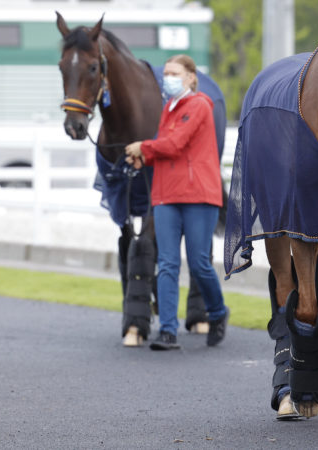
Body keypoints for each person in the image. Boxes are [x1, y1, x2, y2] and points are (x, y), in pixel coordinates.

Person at [125, 54, 229, 350]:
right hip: (167, 195)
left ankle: (218, 311)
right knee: (168, 264)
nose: (167, 78)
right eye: (166, 73)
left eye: (174, 73)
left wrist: (142, 147)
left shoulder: (197, 105)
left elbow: (175, 144)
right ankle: (168, 331)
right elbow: (165, 148)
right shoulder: (168, 109)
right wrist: (143, 155)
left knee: (198, 264)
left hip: (198, 196)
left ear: (191, 78)